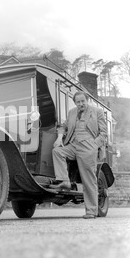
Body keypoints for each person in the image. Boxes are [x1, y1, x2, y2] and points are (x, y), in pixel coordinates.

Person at [49, 91, 107, 219]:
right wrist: (59, 137)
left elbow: (103, 133)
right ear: (75, 102)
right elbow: (63, 127)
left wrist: (94, 145)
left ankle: (91, 211)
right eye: (78, 102)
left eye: (83, 101)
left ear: (87, 100)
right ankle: (65, 181)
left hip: (88, 147)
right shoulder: (71, 112)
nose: (81, 104)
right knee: (57, 151)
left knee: (88, 179)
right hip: (73, 145)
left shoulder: (97, 112)